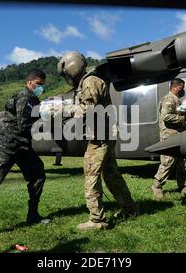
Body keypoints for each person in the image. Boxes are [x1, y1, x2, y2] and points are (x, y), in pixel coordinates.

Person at [57, 51, 139, 231]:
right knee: (112, 176)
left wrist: (64, 110)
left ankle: (96, 220)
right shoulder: (91, 81)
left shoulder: (89, 82)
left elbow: (88, 109)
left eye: (65, 74)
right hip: (104, 135)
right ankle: (130, 208)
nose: (66, 78)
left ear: (70, 68)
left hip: (99, 138)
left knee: (91, 177)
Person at [0, 68, 49, 246]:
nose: (41, 88)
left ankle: (33, 215)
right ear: (30, 82)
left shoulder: (34, 99)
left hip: (22, 146)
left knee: (38, 176)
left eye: (43, 85)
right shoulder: (24, 97)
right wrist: (47, 119)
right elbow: (23, 123)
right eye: (39, 84)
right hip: (7, 146)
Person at [151, 78, 186, 200]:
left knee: (184, 160)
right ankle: (157, 186)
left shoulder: (177, 100)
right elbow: (166, 117)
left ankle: (183, 185)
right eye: (182, 88)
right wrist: (182, 119)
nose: (183, 90)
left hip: (179, 134)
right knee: (168, 161)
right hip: (169, 135)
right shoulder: (168, 99)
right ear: (175, 87)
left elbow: (179, 114)